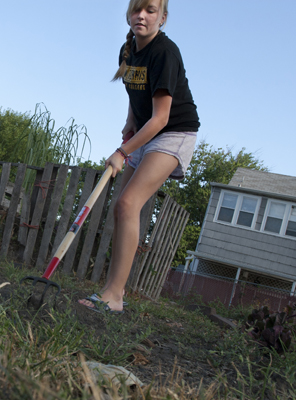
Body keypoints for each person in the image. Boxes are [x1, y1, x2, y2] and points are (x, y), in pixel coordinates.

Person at [79, 0, 199, 313]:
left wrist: (122, 152)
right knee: (122, 209)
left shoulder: (164, 52)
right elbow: (137, 90)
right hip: (145, 131)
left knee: (128, 204)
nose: (141, 16)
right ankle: (112, 290)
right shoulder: (129, 49)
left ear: (163, 17)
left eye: (149, 10)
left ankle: (114, 296)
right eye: (136, 10)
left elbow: (161, 117)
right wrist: (131, 119)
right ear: (129, 14)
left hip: (174, 132)